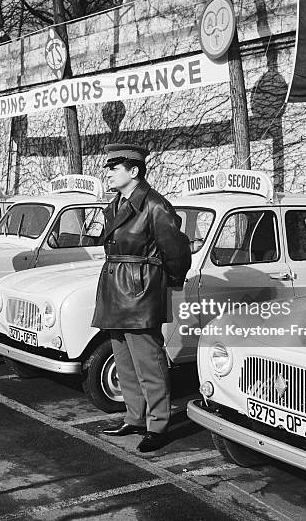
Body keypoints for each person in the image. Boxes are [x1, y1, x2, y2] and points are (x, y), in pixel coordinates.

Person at [93, 144, 191, 453]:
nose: (108, 172)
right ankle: (135, 418)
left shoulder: (155, 205)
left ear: (134, 171)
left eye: (114, 167)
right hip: (115, 287)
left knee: (149, 361)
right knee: (124, 360)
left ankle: (158, 424)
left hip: (139, 290)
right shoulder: (117, 203)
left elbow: (176, 251)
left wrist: (172, 283)